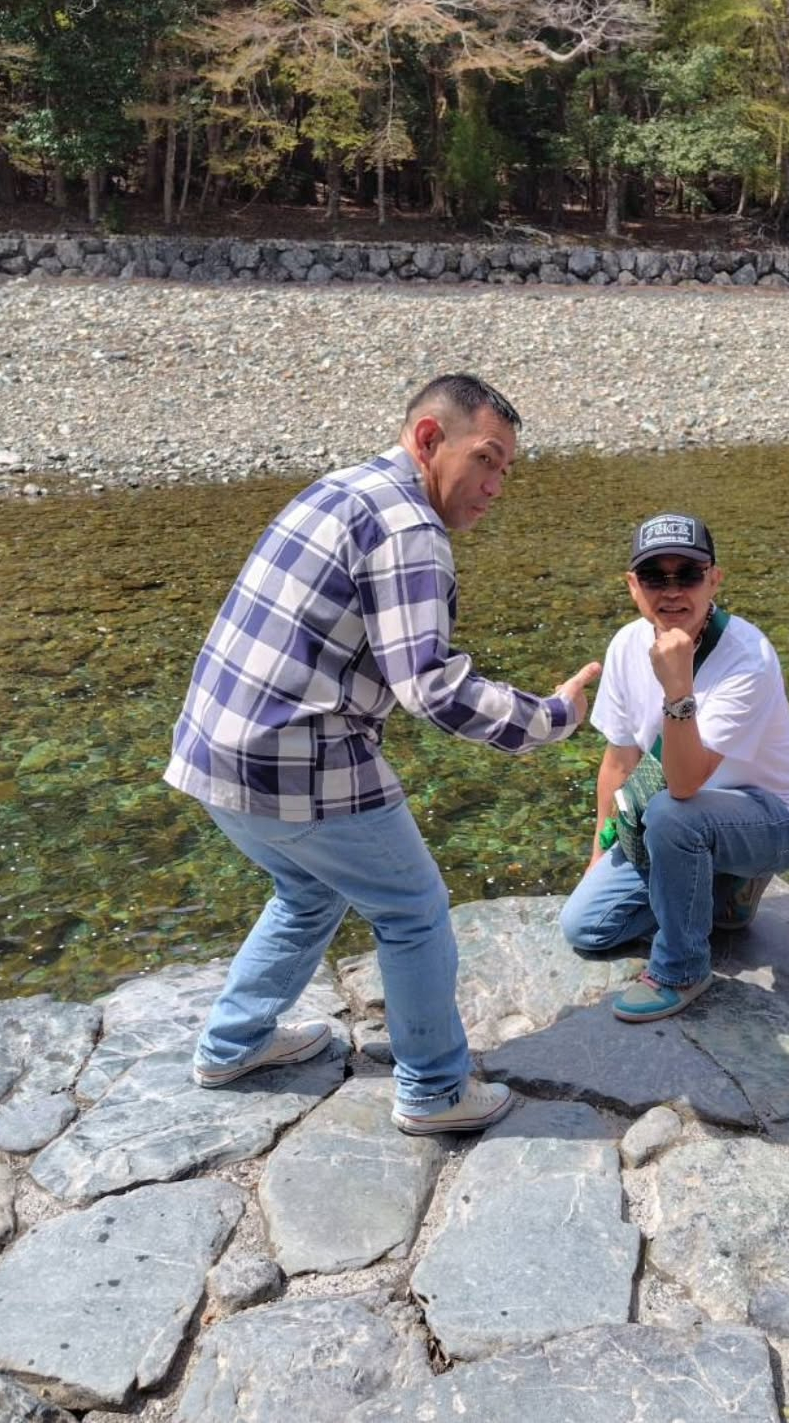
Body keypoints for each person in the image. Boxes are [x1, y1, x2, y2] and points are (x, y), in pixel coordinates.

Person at [164, 374, 600, 1134]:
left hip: (210, 754)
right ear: (430, 440)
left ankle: (233, 1043)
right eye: (487, 461)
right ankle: (433, 1090)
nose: (497, 486)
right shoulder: (409, 529)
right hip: (292, 760)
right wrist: (551, 718)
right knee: (415, 911)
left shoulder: (341, 488)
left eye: (507, 471)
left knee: (310, 893)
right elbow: (430, 688)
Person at [559, 513, 789, 1022]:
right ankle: (726, 889)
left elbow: (683, 783)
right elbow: (619, 759)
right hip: (681, 819)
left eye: (689, 575)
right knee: (586, 927)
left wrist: (678, 688)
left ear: (715, 579)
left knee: (674, 816)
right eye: (656, 576)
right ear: (634, 586)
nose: (672, 591)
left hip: (772, 820)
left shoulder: (749, 656)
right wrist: (598, 852)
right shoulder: (625, 645)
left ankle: (682, 969)